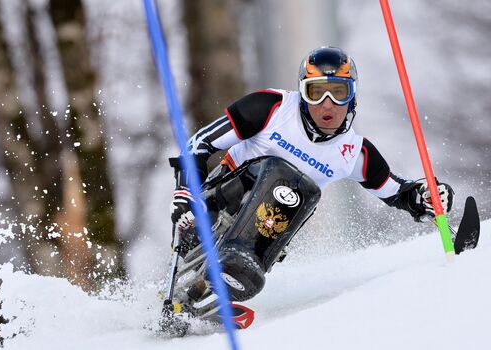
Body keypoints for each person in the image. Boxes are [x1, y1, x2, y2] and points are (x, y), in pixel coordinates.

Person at [168, 46, 453, 311]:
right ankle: (199, 270)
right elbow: (200, 143)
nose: (327, 105)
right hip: (223, 196)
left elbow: (396, 192)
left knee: (300, 188)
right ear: (303, 93)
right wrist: (184, 192)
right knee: (279, 171)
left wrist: (423, 196)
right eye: (316, 92)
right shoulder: (272, 108)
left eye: (339, 92)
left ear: (352, 96)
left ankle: (206, 291)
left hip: (268, 227)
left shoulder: (354, 152)